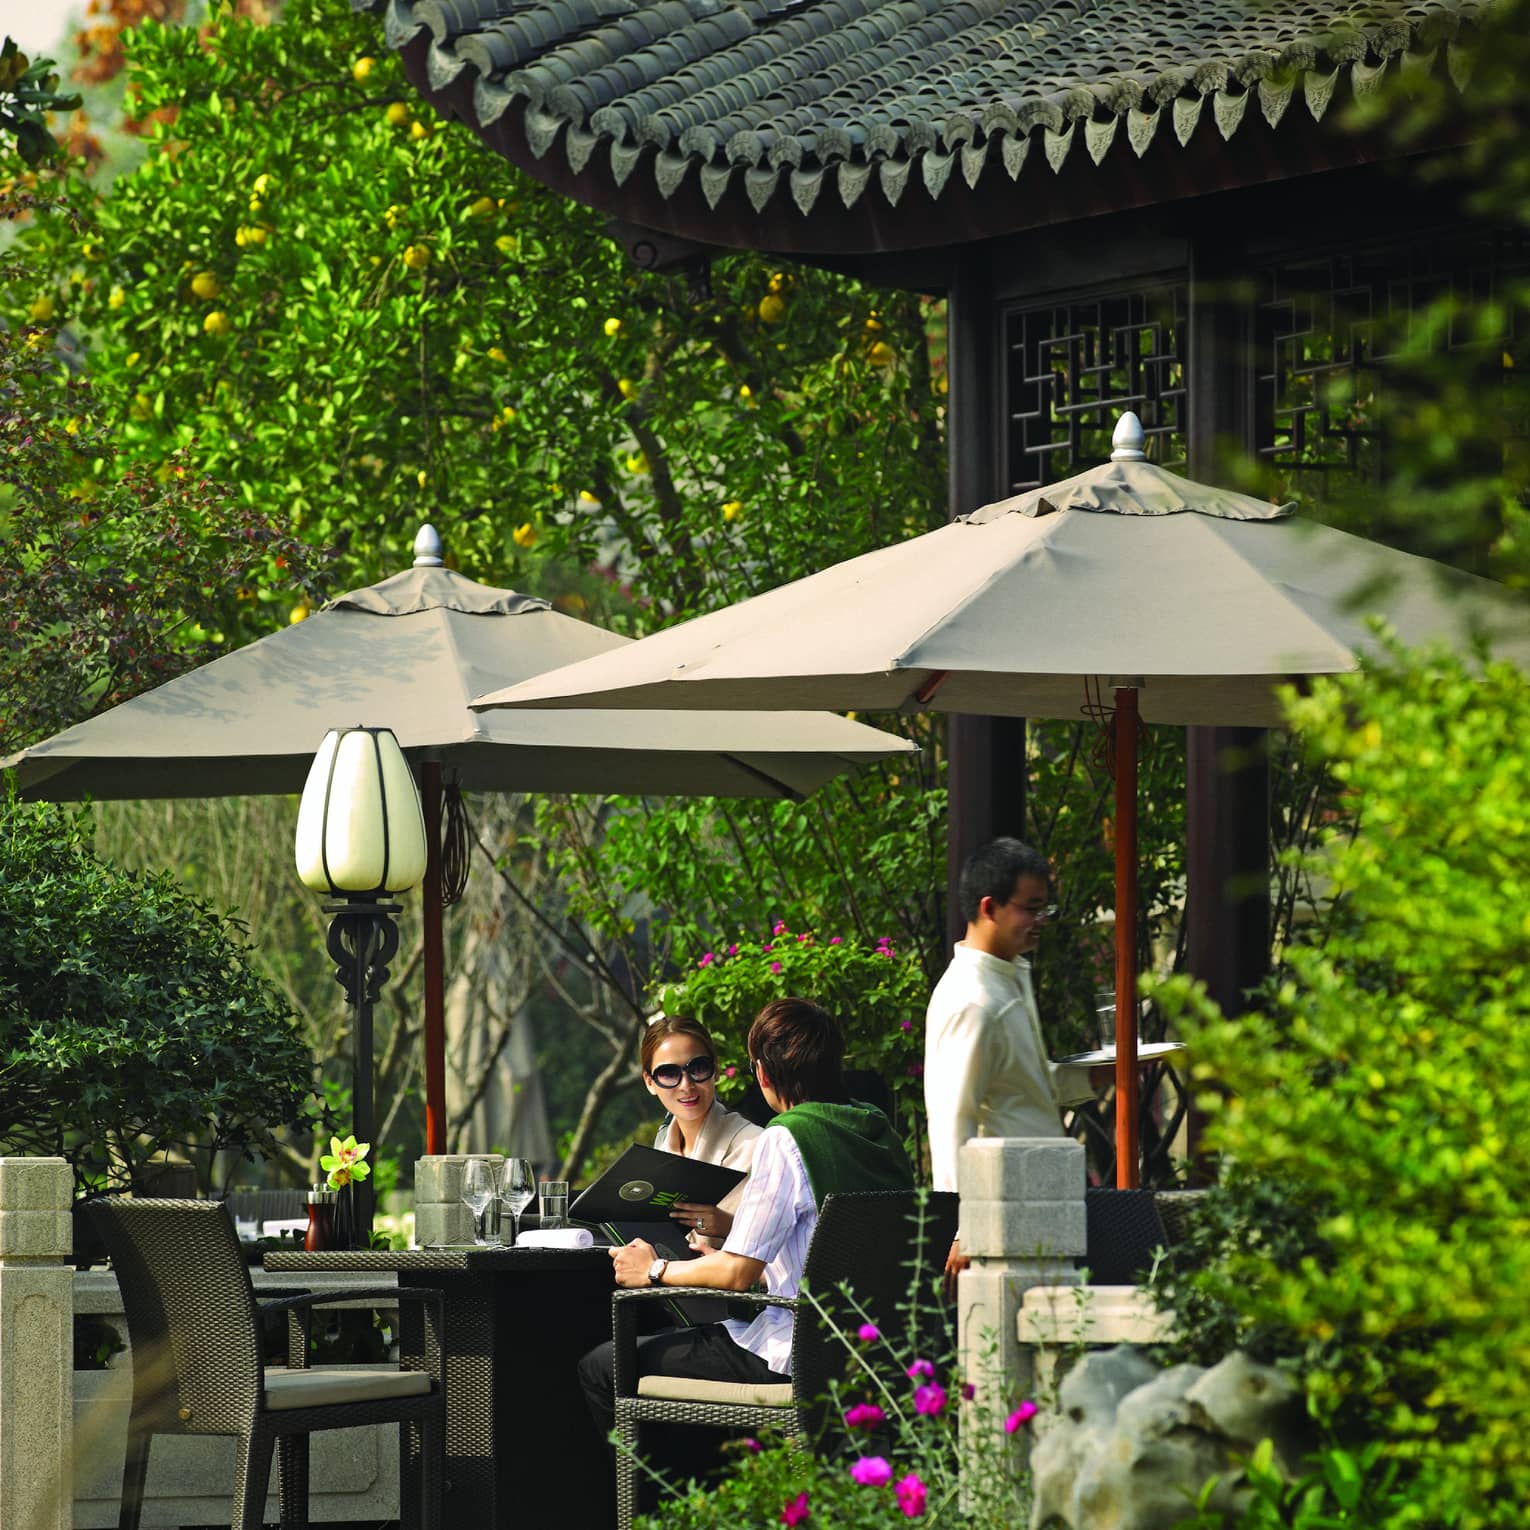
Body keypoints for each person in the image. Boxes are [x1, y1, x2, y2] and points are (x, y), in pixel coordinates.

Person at [578, 997, 912, 1470]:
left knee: (601, 1366)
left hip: (795, 1350)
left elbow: (738, 1273)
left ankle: (676, 1504)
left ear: (761, 1073)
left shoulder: (785, 1137)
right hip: (880, 1346)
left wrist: (652, 1270)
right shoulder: (877, 1130)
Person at [924, 837, 1095, 1286]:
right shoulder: (972, 998)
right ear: (989, 907)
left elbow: (1025, 1088)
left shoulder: (1009, 975)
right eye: (1030, 908)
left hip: (1039, 1198)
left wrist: (1100, 1075)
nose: (1041, 921)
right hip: (998, 1213)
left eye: (1044, 908)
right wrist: (963, 1226)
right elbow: (953, 1118)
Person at [642, 1014, 762, 1251]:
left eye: (697, 1068)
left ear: (715, 1069)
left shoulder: (756, 1145)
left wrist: (729, 1225)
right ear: (649, 1082)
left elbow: (783, 1245)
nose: (686, 1085)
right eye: (669, 1074)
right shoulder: (660, 1154)